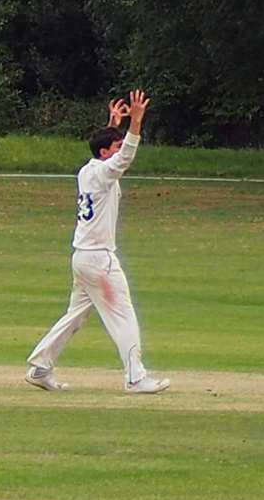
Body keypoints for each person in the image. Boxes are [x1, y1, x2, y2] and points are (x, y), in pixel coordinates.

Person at [24, 91, 170, 394]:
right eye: (113, 147)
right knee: (123, 316)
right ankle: (135, 378)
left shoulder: (88, 170)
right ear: (105, 153)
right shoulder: (104, 172)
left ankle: (40, 367)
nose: (118, 151)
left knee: (76, 316)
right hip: (100, 261)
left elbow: (107, 153)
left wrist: (112, 125)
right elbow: (125, 157)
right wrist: (136, 123)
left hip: (83, 258)